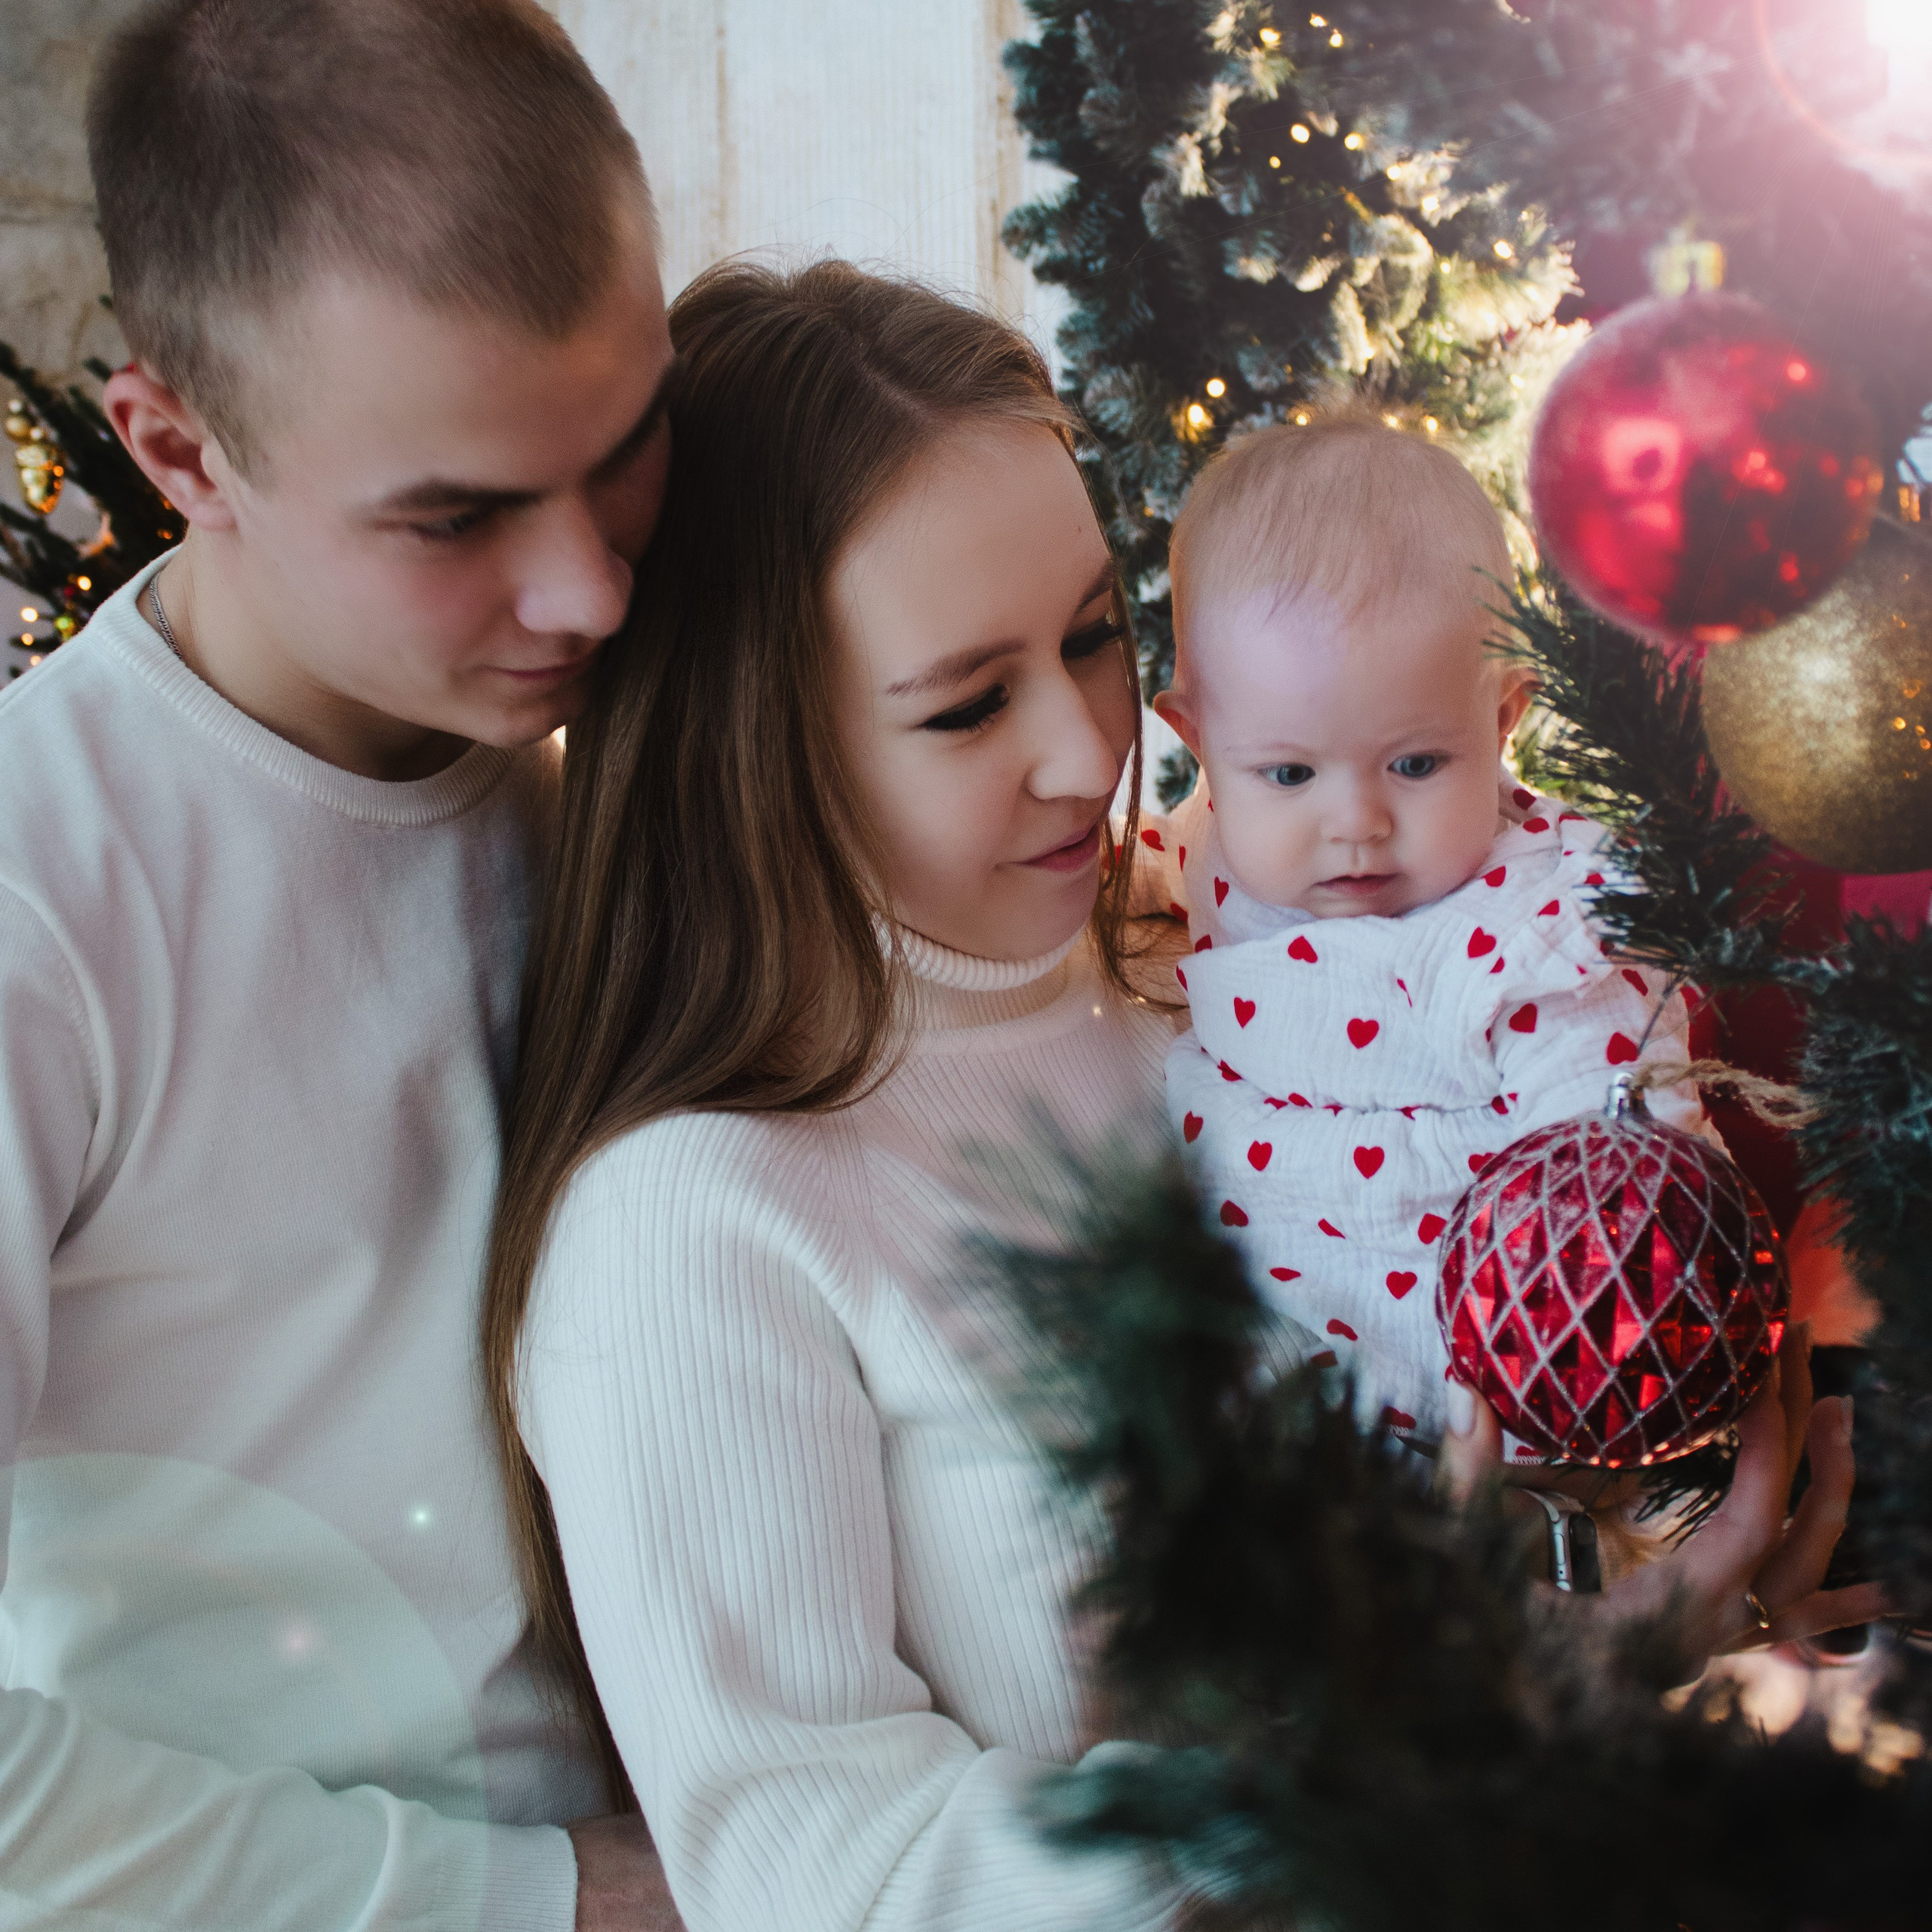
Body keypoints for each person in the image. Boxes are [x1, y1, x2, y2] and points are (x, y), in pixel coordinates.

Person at [488, 262, 1878, 1932]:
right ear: (752, 744)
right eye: (965, 703)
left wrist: (1674, 1530)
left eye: (1092, 636)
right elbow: (823, 1878)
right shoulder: (687, 1222)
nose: (1090, 752)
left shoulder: (1213, 960)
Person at [0, 0, 678, 1924]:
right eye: (453, 516)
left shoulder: (632, 748)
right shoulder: (40, 899)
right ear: (180, 449)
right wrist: (551, 1901)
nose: (589, 587)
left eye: (628, 441)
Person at [1146, 417, 1709, 1453]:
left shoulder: (1534, 930)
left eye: (1414, 765)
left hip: (1494, 1385)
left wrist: (1603, 1365)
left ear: (1501, 719)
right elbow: (1146, 869)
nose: (1355, 822)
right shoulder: (1217, 842)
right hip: (1268, 1368)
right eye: (1290, 773)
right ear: (1201, 745)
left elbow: (1628, 1158)